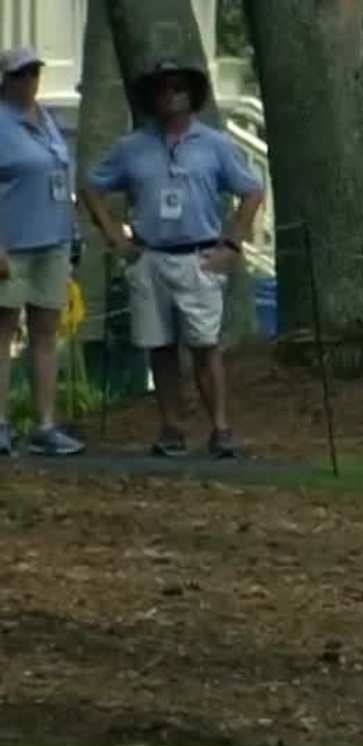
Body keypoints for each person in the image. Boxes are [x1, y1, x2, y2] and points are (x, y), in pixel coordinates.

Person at [81, 59, 264, 458]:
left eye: (179, 88)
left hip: (199, 256)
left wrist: (232, 244)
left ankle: (220, 428)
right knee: (159, 348)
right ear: (152, 96)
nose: (171, 95)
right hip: (150, 256)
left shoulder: (214, 144)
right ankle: (172, 428)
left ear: (192, 95)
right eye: (163, 88)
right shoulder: (131, 147)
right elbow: (92, 186)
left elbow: (251, 190)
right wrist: (115, 236)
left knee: (205, 346)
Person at [0, 47, 86, 457]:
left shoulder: (47, 120)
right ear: (5, 80)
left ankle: (45, 423)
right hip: (11, 246)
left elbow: (57, 176)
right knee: (2, 335)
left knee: (45, 335)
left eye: (33, 72)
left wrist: (72, 234)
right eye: (20, 74)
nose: (29, 80)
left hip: (52, 242)